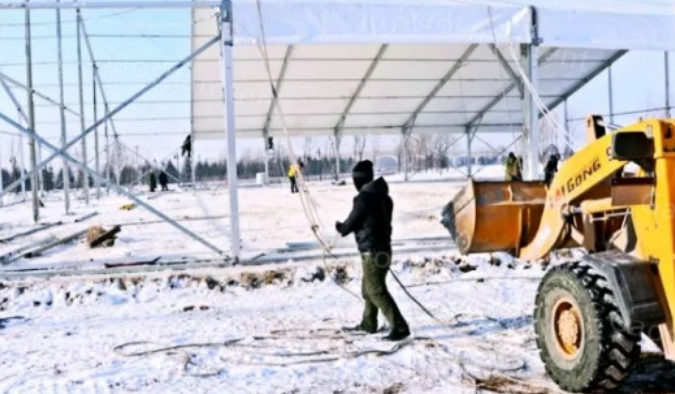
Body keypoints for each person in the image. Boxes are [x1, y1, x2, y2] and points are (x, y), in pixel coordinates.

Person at [335, 160, 410, 341]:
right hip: (383, 250)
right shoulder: (383, 196)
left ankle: (400, 327)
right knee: (368, 289)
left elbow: (351, 223)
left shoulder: (364, 198)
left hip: (373, 252)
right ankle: (369, 323)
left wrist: (341, 227)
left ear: (358, 180)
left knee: (376, 291)